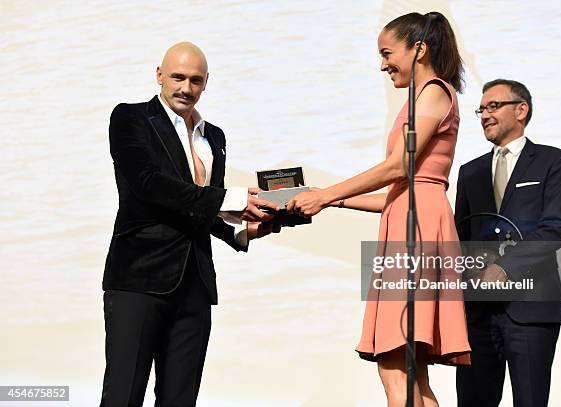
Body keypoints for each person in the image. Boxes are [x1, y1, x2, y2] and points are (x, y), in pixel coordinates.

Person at [287, 12, 470, 407]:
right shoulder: (423, 97)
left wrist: (327, 194)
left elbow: (397, 168)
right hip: (413, 220)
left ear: (419, 49)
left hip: (417, 231)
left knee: (393, 361)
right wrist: (328, 196)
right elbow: (398, 191)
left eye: (388, 53)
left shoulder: (434, 91)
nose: (383, 64)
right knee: (410, 372)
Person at [100, 42, 280, 406]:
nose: (186, 88)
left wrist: (243, 230)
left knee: (180, 400)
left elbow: (200, 208)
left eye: (195, 80)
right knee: (123, 395)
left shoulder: (214, 136)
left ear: (206, 82)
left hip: (196, 284)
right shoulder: (130, 118)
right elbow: (149, 184)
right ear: (159, 75)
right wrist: (233, 199)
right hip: (139, 280)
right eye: (178, 77)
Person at [454, 79, 561, 406]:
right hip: (478, 315)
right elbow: (460, 237)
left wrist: (504, 267)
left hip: (531, 311)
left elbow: (555, 229)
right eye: (481, 109)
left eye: (493, 106)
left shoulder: (553, 161)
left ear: (521, 110)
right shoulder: (470, 172)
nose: (484, 115)